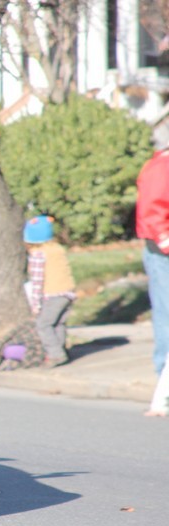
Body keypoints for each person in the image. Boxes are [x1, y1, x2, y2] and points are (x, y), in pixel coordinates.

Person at [136, 122, 169, 377]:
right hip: (162, 253)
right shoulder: (161, 168)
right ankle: (165, 375)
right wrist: (165, 240)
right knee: (166, 310)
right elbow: (152, 210)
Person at [23, 215, 76, 368]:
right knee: (59, 323)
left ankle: (55, 354)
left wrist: (36, 305)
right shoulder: (58, 249)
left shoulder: (38, 254)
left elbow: (37, 281)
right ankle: (61, 351)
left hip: (53, 294)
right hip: (68, 293)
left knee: (43, 325)